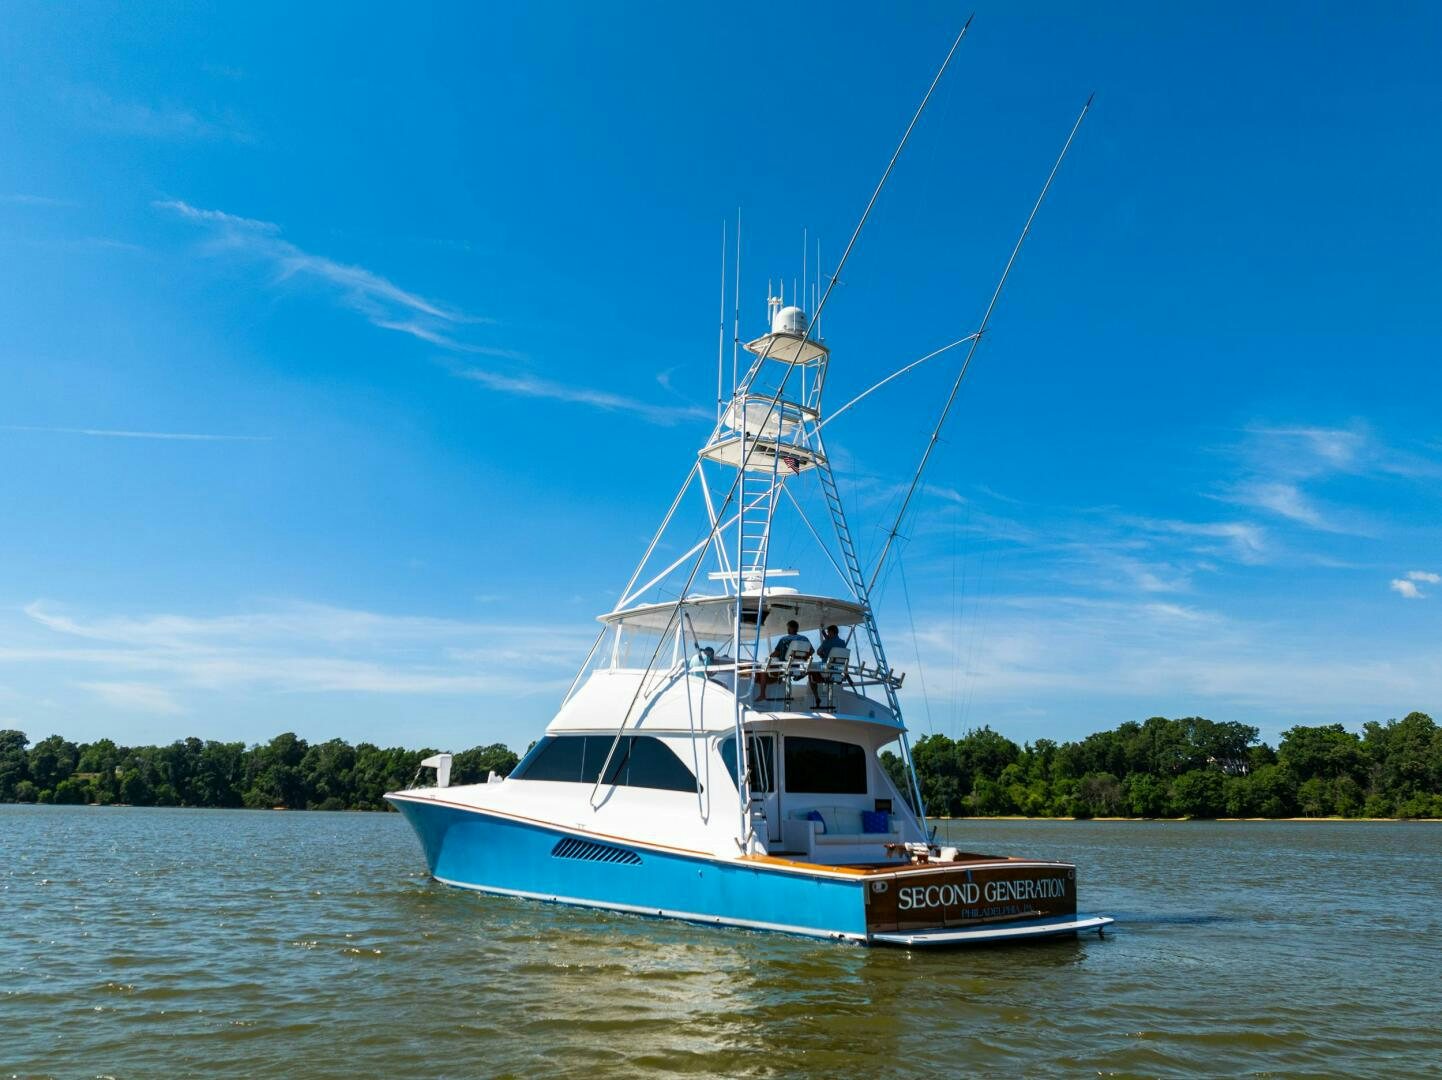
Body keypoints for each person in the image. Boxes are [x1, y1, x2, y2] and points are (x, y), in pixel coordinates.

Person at [752, 620, 812, 701]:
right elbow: (811, 652)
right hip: (797, 667)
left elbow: (776, 653)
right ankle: (787, 676)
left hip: (783, 666)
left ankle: (762, 694)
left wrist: (769, 657)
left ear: (789, 628)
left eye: (788, 628)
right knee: (781, 667)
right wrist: (802, 659)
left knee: (763, 669)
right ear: (797, 628)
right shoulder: (805, 639)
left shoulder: (784, 639)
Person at [809, 624, 848, 707]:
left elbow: (818, 652)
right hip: (839, 669)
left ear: (832, 632)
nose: (828, 634)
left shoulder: (826, 642)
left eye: (828, 632)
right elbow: (833, 644)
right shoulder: (843, 643)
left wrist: (822, 655)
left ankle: (816, 696)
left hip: (826, 668)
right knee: (816, 667)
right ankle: (822, 680)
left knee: (810, 668)